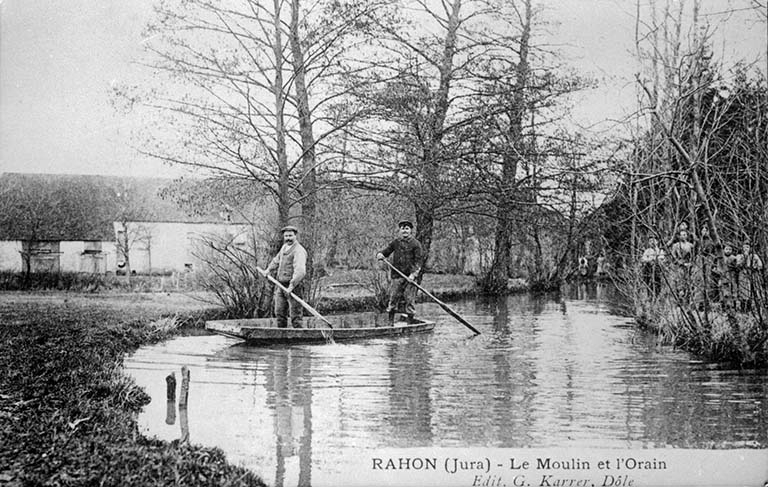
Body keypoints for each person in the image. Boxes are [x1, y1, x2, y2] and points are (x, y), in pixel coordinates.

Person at [376, 220, 423, 324]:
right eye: (403, 228)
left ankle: (410, 324)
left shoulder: (416, 244)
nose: (405, 231)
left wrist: (413, 274)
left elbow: (418, 262)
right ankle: (390, 324)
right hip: (397, 276)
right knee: (393, 299)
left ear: (410, 230)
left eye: (407, 228)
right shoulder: (396, 242)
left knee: (409, 300)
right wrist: (380, 254)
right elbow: (386, 251)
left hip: (410, 278)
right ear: (400, 230)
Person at [266, 226, 308, 328]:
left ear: (295, 236)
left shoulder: (299, 250)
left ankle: (298, 337)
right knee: (279, 312)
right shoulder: (284, 247)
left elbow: (300, 271)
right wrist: (268, 270)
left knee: (295, 315)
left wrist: (292, 285)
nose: (288, 238)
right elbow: (276, 260)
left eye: (290, 235)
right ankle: (282, 336)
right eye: (286, 236)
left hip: (294, 286)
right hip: (281, 285)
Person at [735, 241, 764, 312]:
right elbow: (738, 265)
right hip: (743, 273)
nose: (746, 249)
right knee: (743, 291)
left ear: (750, 248)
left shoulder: (754, 256)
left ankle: (755, 308)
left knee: (754, 290)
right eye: (744, 247)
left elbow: (760, 265)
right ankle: (744, 309)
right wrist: (744, 257)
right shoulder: (739, 256)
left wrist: (755, 266)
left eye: (747, 247)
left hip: (753, 274)